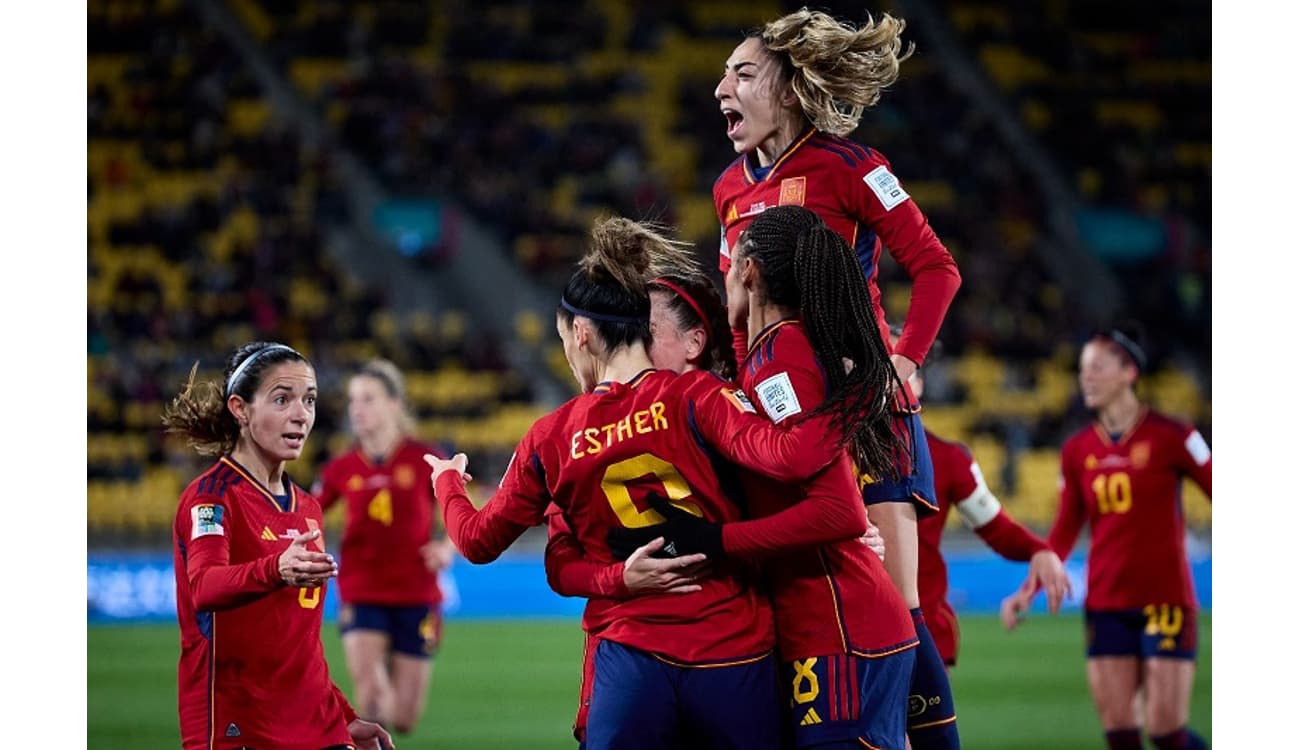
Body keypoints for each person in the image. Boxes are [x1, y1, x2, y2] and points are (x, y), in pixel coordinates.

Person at [425, 217, 873, 750]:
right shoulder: (702, 396)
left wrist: (448, 483)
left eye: (565, 337)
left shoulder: (552, 436)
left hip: (630, 661)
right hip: (732, 649)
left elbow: (478, 541)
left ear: (583, 334)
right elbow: (783, 459)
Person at [711, 10, 962, 748]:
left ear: (789, 91)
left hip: (863, 415)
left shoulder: (853, 167)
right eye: (724, 73)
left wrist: (904, 363)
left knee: (896, 607)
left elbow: (937, 267)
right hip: (784, 423)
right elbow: (735, 311)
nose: (721, 87)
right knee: (802, 608)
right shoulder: (729, 188)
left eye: (743, 73)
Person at [544, 266, 892, 746]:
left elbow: (821, 505)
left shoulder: (731, 409)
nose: (631, 343)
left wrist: (835, 539)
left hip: (744, 650)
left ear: (693, 344)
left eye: (645, 332)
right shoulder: (589, 431)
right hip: (657, 660)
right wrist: (617, 579)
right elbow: (563, 559)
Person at [162, 341, 394, 750]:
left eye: (309, 400)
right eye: (282, 399)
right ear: (240, 409)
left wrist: (344, 716)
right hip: (238, 726)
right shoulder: (212, 498)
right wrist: (275, 569)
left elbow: (301, 642)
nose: (301, 415)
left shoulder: (307, 507)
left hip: (317, 727)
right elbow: (204, 587)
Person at [1000, 326, 1211, 750]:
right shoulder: (1077, 449)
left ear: (1128, 371)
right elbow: (1063, 530)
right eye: (1082, 370)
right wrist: (1030, 587)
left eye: (1097, 367)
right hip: (1106, 602)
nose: (1086, 378)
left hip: (1165, 600)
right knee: (1120, 734)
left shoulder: (1176, 436)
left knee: (1166, 730)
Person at [891, 329, 1070, 668]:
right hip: (856, 630)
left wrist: (1038, 549)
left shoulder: (948, 459)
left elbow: (994, 526)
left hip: (924, 631)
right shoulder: (839, 452)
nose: (897, 383)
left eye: (906, 372)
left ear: (920, 385)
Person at [313, 358, 454, 735]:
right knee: (373, 702)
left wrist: (445, 547)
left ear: (394, 404)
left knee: (404, 719)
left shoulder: (426, 458)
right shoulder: (341, 467)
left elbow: (458, 511)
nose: (356, 409)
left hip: (418, 593)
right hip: (362, 591)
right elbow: (307, 515)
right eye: (353, 400)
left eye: (368, 399)